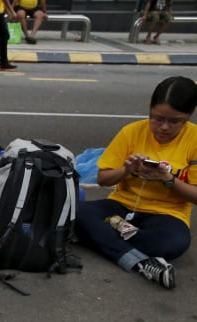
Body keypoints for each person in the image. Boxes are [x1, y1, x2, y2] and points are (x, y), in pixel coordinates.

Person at [75, 76, 197, 289]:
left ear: (189, 115)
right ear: (150, 109)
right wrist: (126, 170)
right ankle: (142, 262)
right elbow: (104, 179)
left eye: (175, 121)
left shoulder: (194, 139)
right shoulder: (132, 131)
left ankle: (110, 239)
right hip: (122, 205)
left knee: (173, 243)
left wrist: (168, 180)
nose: (164, 127)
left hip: (167, 214)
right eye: (157, 118)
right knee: (77, 213)